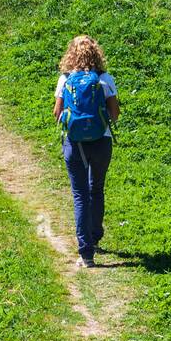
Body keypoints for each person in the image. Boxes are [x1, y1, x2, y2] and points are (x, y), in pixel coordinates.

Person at [53, 35, 120, 269]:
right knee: (96, 189)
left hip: (74, 144)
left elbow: (57, 113)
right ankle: (95, 237)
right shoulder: (104, 79)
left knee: (80, 194)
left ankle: (86, 253)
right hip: (102, 142)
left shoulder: (65, 79)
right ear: (96, 53)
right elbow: (114, 113)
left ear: (71, 54)